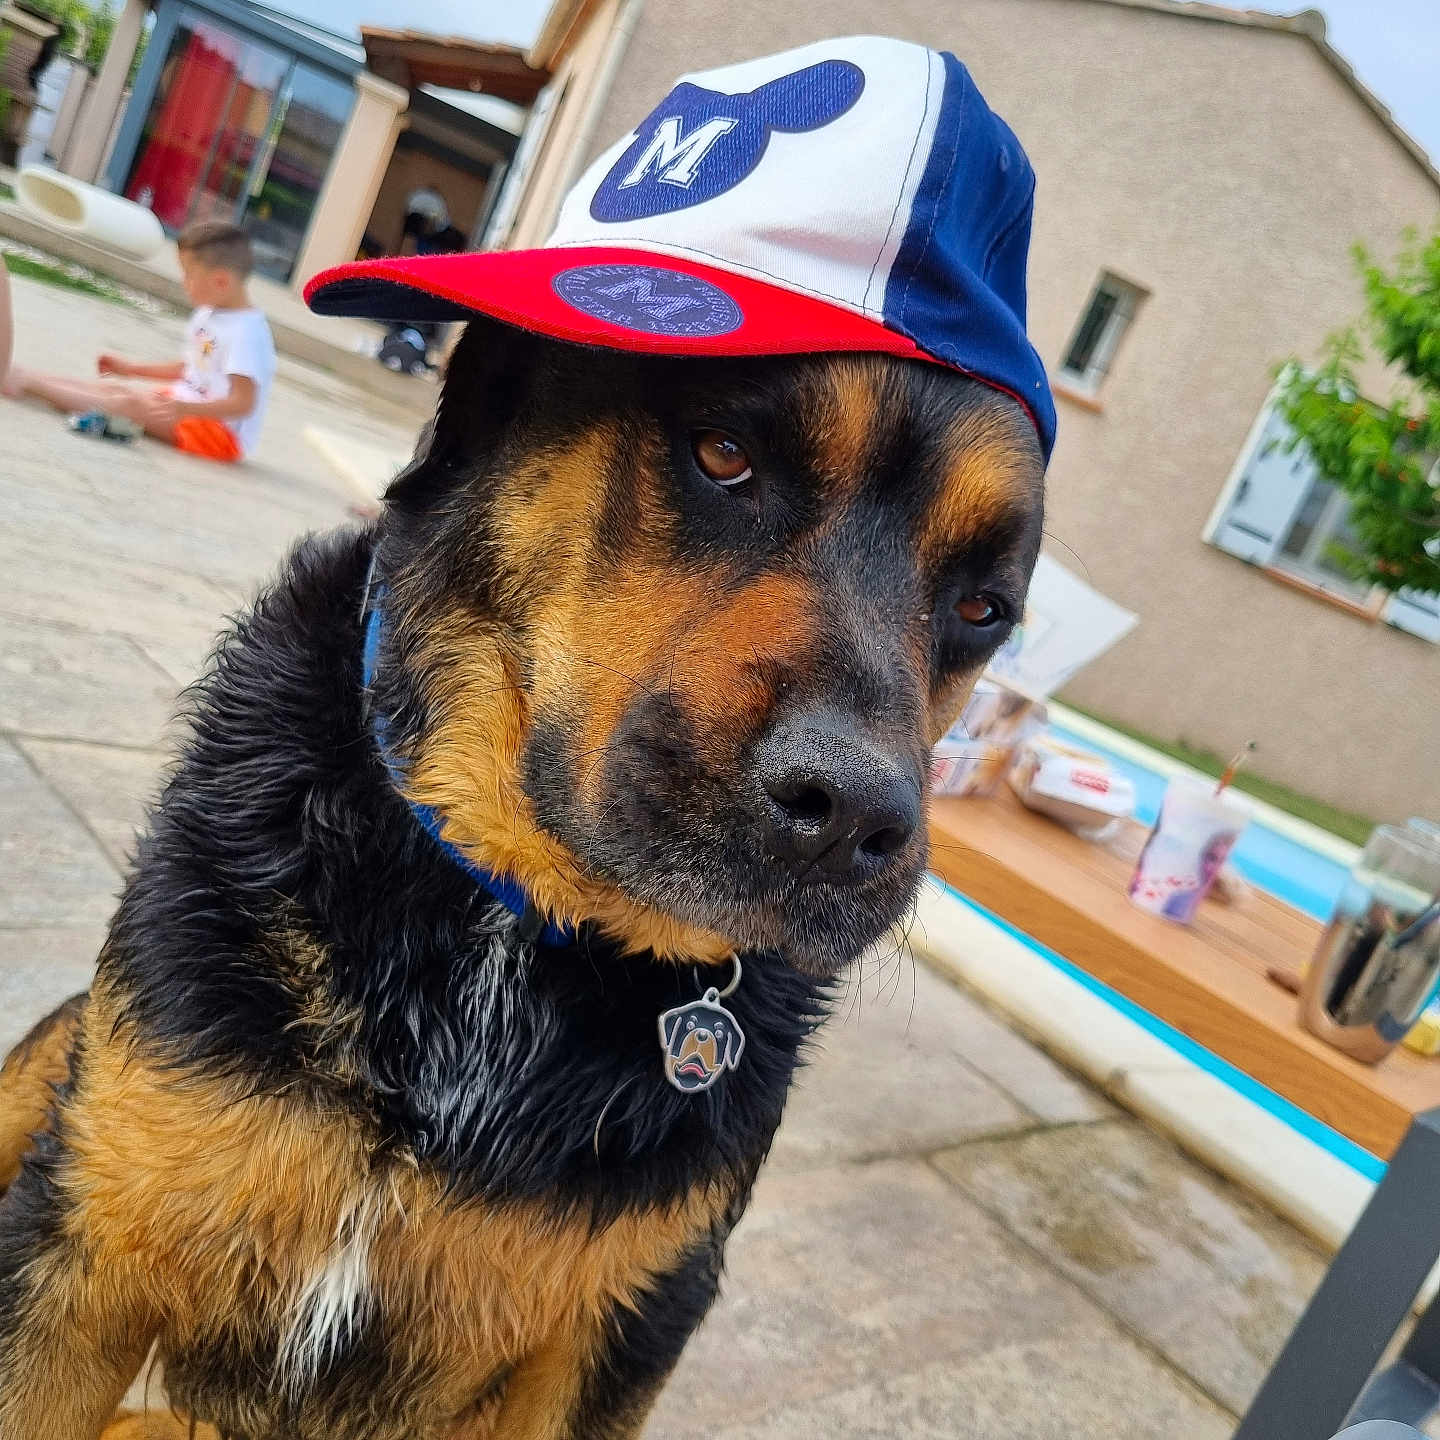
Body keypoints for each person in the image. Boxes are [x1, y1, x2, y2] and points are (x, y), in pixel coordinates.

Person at [1, 220, 276, 462]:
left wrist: (184, 409)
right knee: (119, 392)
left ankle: (27, 383)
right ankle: (22, 374)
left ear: (221, 282)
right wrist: (132, 369)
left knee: (130, 406)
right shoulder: (211, 313)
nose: (184, 283)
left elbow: (242, 403)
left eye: (189, 275)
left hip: (218, 433)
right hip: (187, 404)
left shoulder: (246, 334)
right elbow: (190, 368)